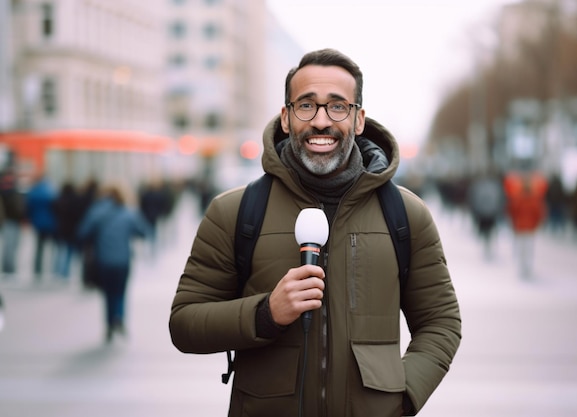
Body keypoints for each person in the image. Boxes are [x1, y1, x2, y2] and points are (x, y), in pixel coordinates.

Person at [169, 49, 461, 417]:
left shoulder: (406, 215)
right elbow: (184, 322)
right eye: (306, 106)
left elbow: (441, 322)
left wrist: (401, 399)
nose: (321, 121)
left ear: (358, 120)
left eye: (337, 107)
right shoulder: (234, 212)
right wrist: (265, 313)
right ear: (286, 118)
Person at [76, 184, 153, 343]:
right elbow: (144, 231)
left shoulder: (96, 211)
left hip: (103, 259)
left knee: (108, 293)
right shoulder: (129, 212)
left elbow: (82, 232)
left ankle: (109, 323)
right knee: (121, 291)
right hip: (123, 260)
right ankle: (120, 318)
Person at [503, 169, 548, 278]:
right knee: (527, 248)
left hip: (521, 227)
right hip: (527, 227)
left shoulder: (519, 197)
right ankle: (526, 267)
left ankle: (524, 267)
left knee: (524, 248)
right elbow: (539, 213)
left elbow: (512, 211)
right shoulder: (532, 198)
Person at [25, 173, 59, 280]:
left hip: (38, 223)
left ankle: (37, 270)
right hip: (50, 223)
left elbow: (28, 207)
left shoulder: (33, 191)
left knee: (39, 248)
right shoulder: (51, 191)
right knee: (52, 248)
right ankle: (53, 270)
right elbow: (56, 207)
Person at [467, 170, 505, 260]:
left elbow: (473, 198)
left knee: (487, 230)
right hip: (488, 212)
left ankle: (487, 245)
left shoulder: (480, 185)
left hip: (486, 212)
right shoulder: (494, 186)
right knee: (488, 230)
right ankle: (487, 245)